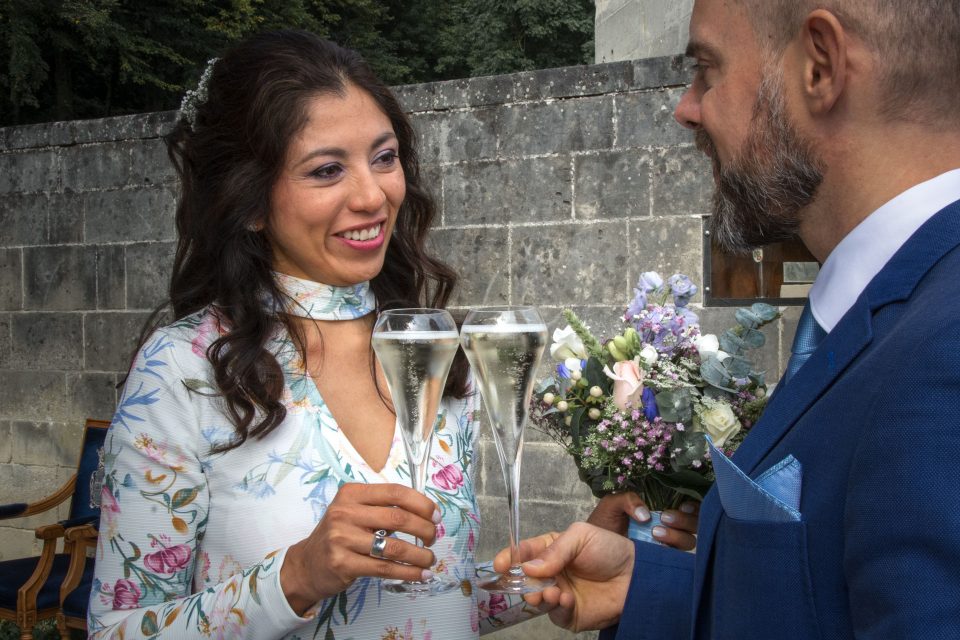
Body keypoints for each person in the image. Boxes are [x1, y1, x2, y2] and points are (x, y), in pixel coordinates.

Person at [87, 30, 694, 639]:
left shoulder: (434, 355)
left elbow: (425, 601)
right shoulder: (183, 372)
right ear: (248, 201)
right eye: (327, 170)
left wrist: (547, 573)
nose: (374, 195)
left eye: (384, 157)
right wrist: (296, 577)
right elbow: (116, 630)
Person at [494, 1, 960, 638]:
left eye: (707, 70)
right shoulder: (898, 302)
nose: (686, 107)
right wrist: (651, 588)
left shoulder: (943, 355)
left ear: (819, 65)